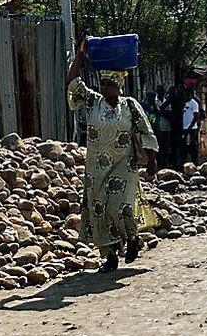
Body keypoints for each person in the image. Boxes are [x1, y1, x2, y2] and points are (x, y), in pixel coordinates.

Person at [66, 38, 157, 272]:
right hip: (96, 168)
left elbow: (146, 130)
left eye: (109, 84)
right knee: (99, 210)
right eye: (103, 83)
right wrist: (79, 56)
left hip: (124, 165)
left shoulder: (130, 106)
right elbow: (73, 83)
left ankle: (133, 238)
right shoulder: (93, 102)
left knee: (121, 207)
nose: (104, 87)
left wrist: (152, 159)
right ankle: (110, 257)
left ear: (118, 86)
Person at [183, 85, 202, 165]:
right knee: (184, 146)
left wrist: (190, 127)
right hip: (183, 127)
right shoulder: (182, 103)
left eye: (187, 95)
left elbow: (196, 116)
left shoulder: (194, 103)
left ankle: (195, 162)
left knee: (193, 145)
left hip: (192, 128)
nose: (186, 96)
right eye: (185, 95)